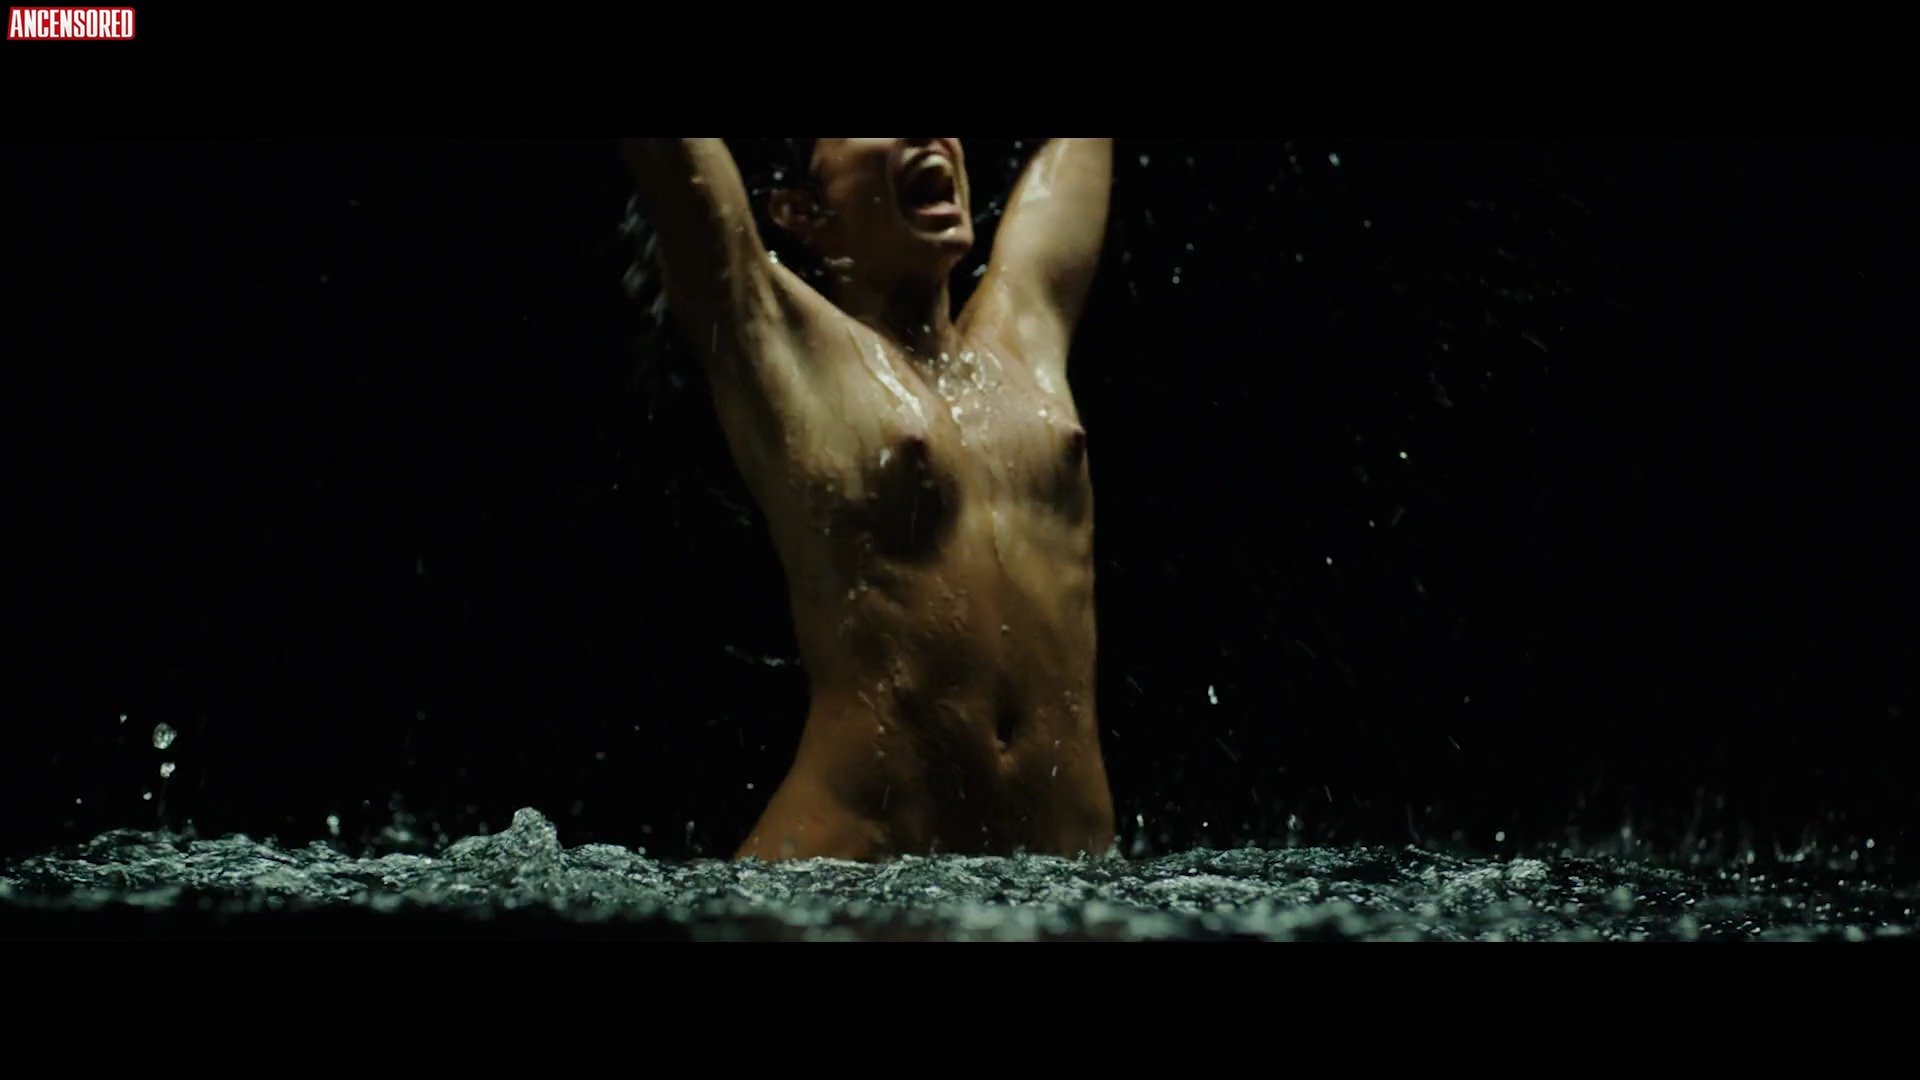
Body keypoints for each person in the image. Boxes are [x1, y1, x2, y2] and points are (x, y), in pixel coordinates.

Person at [621, 138, 1114, 860]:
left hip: (1070, 883)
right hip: (850, 881)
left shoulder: (1026, 331)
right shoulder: (776, 338)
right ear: (802, 211)